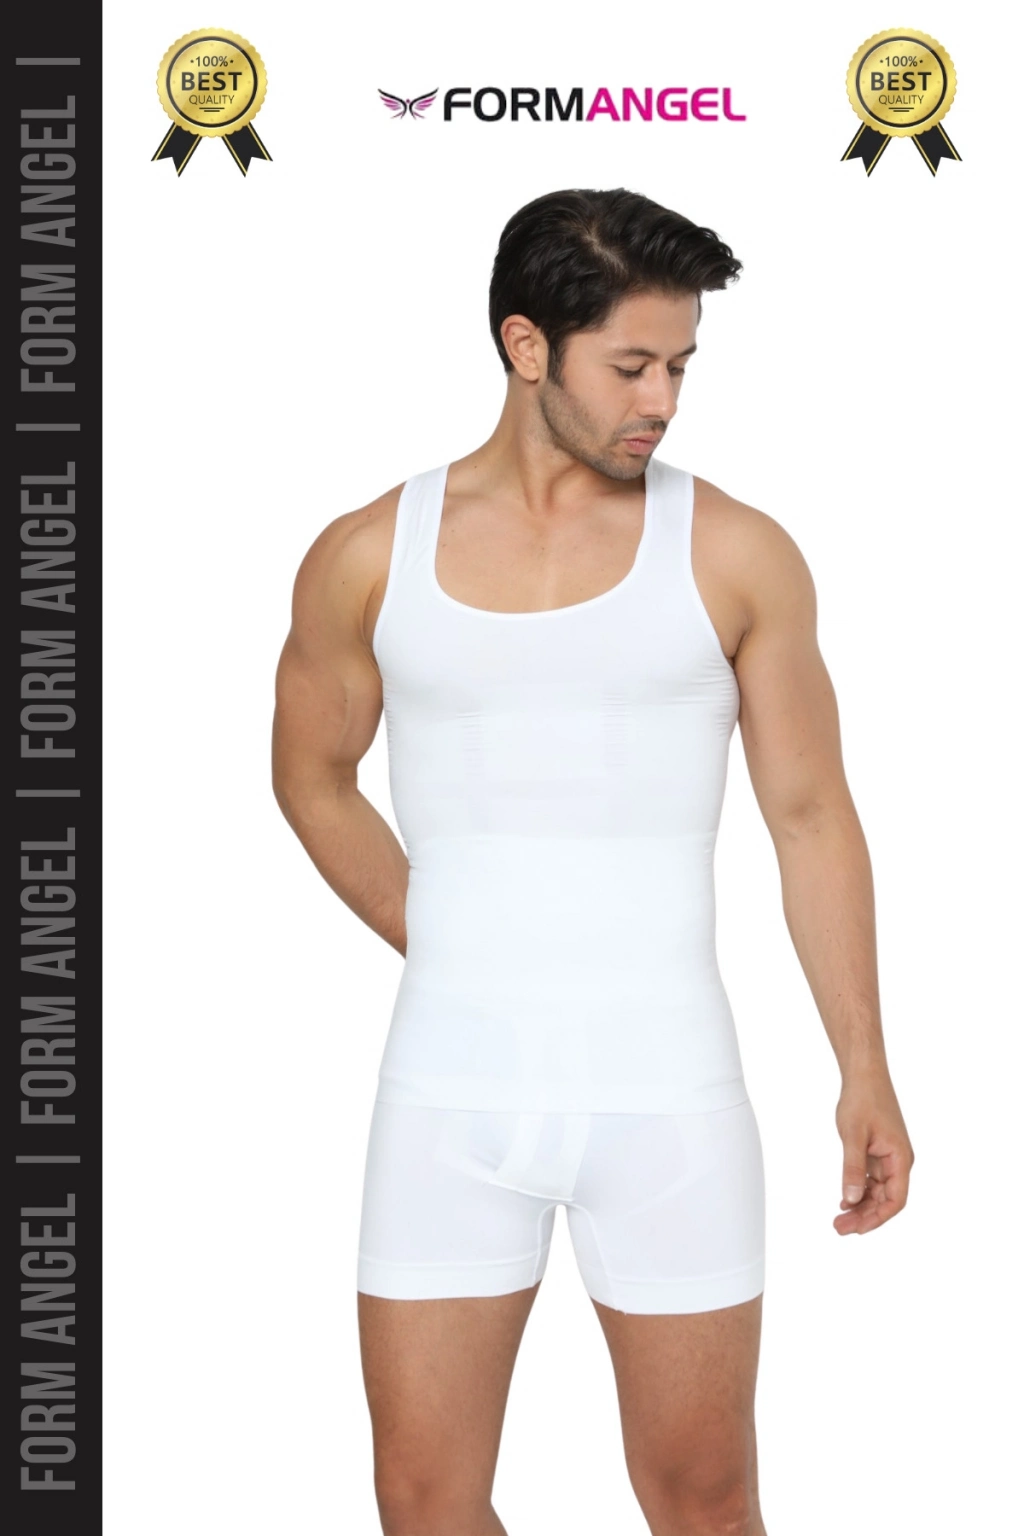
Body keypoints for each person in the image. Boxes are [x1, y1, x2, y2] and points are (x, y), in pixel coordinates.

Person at [271, 187, 914, 1536]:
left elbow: (811, 815)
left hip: (669, 1101)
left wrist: (863, 1063)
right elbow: (312, 777)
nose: (662, 401)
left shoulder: (736, 553)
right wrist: (453, 935)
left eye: (681, 366)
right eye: (631, 366)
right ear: (526, 346)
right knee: (423, 1504)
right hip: (450, 1098)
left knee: (704, 1500)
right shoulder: (368, 554)